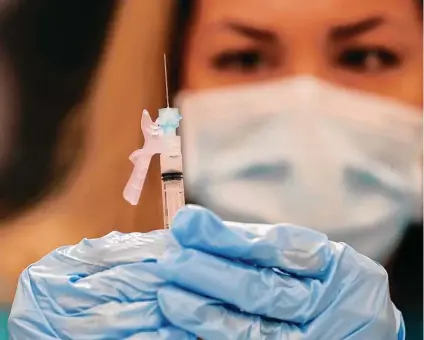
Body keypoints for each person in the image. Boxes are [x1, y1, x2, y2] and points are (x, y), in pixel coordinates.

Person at [4, 0, 423, 338]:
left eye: (366, 57)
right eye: (245, 59)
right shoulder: (56, 311)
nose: (306, 106)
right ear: (168, 82)